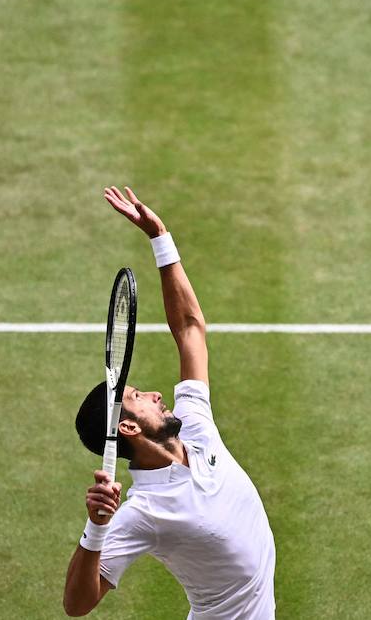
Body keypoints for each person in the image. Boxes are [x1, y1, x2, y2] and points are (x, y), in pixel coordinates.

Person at [64, 187, 276, 618]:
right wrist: (96, 528)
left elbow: (190, 329)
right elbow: (76, 604)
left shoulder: (194, 425)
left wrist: (160, 237)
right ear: (127, 427)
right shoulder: (145, 513)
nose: (156, 394)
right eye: (138, 397)